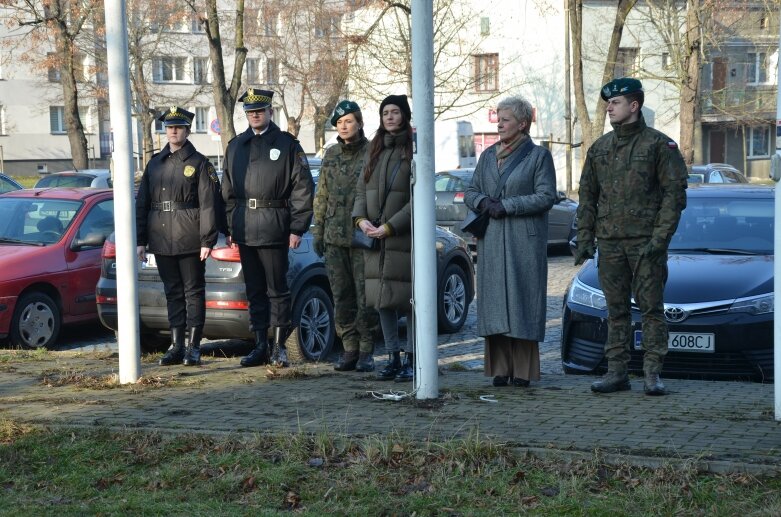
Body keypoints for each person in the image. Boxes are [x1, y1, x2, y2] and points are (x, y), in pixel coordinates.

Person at [575, 78, 688, 396]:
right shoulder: (600, 149)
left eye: (616, 102)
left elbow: (674, 195)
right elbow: (587, 196)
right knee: (616, 310)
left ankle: (652, 374)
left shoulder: (658, 145)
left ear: (634, 106)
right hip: (610, 242)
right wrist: (585, 237)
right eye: (608, 103)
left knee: (652, 309)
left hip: (645, 244)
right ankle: (617, 373)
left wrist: (659, 239)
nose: (609, 107)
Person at [464, 96, 557, 388]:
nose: (499, 124)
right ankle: (500, 368)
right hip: (491, 239)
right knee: (495, 303)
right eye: (499, 119)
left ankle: (523, 371)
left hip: (522, 241)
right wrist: (483, 202)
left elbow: (546, 196)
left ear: (522, 123)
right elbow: (470, 191)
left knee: (522, 302)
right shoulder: (488, 156)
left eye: (505, 119)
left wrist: (508, 205)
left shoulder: (538, 156)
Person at [221, 88, 314, 368]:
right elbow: (227, 191)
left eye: (259, 110)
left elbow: (302, 188)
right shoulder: (237, 146)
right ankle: (260, 345)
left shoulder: (287, 145)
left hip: (275, 225)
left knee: (277, 290)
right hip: (245, 228)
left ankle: (278, 347)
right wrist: (230, 227)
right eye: (250, 111)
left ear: (269, 111)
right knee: (255, 290)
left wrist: (297, 228)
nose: (255, 115)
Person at [136, 106, 220, 366]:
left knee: (193, 292)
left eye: (179, 127)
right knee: (172, 292)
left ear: (187, 130)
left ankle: (194, 347)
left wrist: (207, 240)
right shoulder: (155, 163)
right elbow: (142, 203)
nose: (173, 131)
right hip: (161, 236)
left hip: (189, 236)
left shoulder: (199, 163)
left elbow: (209, 204)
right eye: (170, 127)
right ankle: (176, 346)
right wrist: (140, 240)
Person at [352, 94, 414, 382]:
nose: (389, 117)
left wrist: (390, 226)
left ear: (404, 115)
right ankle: (392, 357)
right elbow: (361, 190)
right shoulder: (374, 148)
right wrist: (360, 219)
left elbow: (418, 198)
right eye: (385, 112)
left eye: (395, 112)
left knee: (411, 300)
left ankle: (414, 358)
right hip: (374, 238)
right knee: (383, 300)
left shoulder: (414, 147)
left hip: (402, 239)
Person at [313, 100, 376, 373]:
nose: (343, 126)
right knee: (342, 296)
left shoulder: (373, 152)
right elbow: (322, 195)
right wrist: (318, 229)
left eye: (348, 121)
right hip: (334, 236)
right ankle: (349, 347)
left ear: (359, 123)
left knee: (366, 297)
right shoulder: (331, 154)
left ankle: (366, 350)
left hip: (362, 236)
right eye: (339, 123)